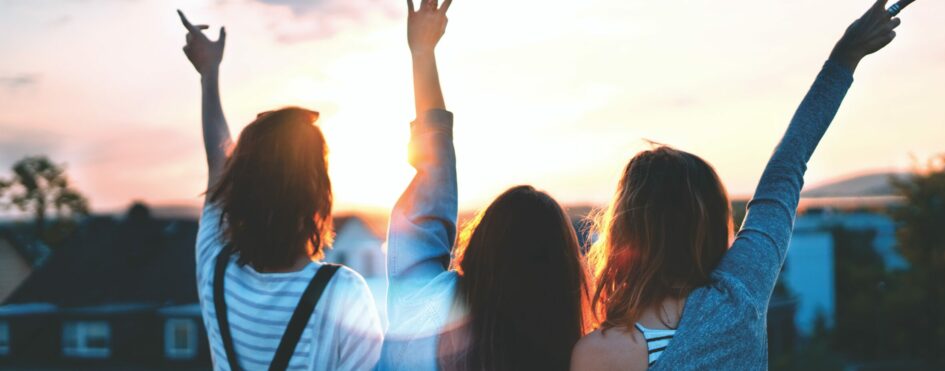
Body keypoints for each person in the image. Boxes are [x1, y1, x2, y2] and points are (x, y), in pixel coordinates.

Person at [571, 1, 903, 370]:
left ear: (624, 229)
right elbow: (787, 166)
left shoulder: (598, 354)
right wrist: (846, 56)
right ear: (712, 224)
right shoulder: (739, 294)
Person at [378, 1, 593, 370]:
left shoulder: (420, 309)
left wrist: (422, 53)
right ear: (563, 278)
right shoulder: (574, 354)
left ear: (480, 247)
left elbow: (435, 178)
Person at [178, 10, 382, 370]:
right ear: (318, 194)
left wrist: (209, 75)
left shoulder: (215, 267)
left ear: (237, 190)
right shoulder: (344, 296)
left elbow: (217, 161)